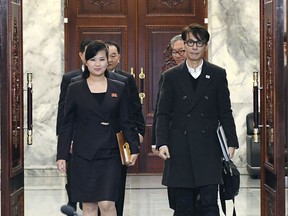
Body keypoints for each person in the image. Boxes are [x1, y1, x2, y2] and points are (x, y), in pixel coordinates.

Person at [155, 23, 239, 216]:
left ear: (205, 46)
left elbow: (225, 111)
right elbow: (162, 112)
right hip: (179, 148)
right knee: (183, 205)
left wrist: (231, 141)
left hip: (209, 147)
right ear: (184, 45)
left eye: (199, 43)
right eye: (190, 42)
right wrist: (162, 142)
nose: (194, 47)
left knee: (209, 203)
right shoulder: (170, 76)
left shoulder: (217, 74)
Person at [56, 40, 140, 216]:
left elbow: (126, 121)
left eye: (102, 59)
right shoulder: (75, 88)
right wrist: (62, 155)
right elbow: (67, 124)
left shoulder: (120, 87)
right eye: (93, 59)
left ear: (107, 61)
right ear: (85, 61)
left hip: (111, 154)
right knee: (89, 206)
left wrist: (133, 148)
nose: (98, 64)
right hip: (83, 155)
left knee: (107, 203)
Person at [105, 41, 145, 216]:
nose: (110, 59)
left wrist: (139, 132)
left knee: (118, 182)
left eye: (114, 55)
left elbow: (135, 107)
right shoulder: (84, 81)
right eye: (107, 55)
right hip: (95, 139)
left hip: (120, 137)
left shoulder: (125, 79)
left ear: (119, 58)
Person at [56, 39, 92, 210]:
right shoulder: (70, 78)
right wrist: (62, 136)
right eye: (87, 53)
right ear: (81, 55)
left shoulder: (111, 80)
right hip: (74, 133)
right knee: (73, 172)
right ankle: (72, 200)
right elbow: (63, 108)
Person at [151, 34, 186, 148]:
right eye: (175, 52)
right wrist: (156, 141)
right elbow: (160, 109)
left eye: (182, 51)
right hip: (175, 134)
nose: (178, 56)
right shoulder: (167, 76)